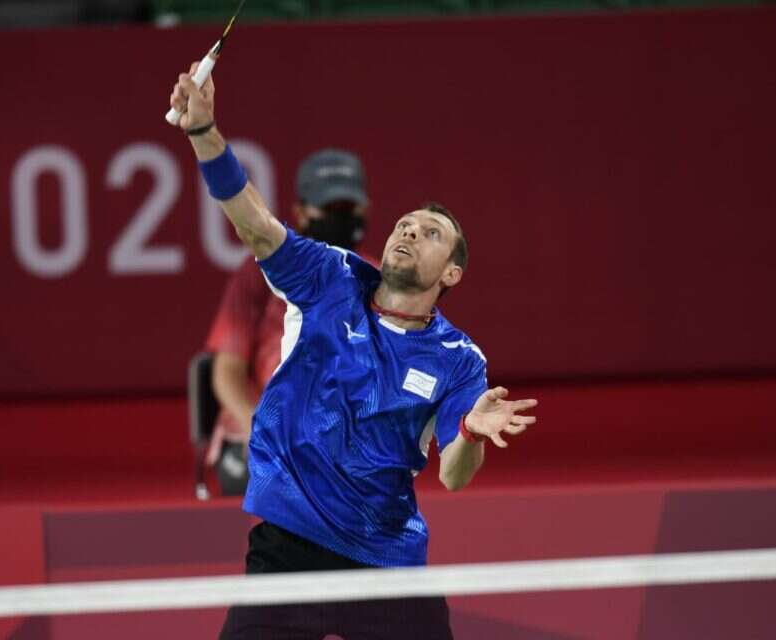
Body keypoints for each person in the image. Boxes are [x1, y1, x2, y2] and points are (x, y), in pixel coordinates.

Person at [170, 63, 538, 639]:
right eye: (405, 225)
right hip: (290, 545)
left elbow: (454, 475)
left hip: (385, 560)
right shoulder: (330, 277)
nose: (410, 232)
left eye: (431, 233)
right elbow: (256, 224)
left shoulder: (459, 359)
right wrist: (203, 132)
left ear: (452, 273)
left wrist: (470, 431)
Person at [204, 148, 374, 496]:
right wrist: (261, 431)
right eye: (329, 209)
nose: (339, 218)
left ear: (364, 210)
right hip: (257, 433)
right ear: (300, 213)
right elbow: (227, 371)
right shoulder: (257, 272)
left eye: (346, 209)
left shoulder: (377, 279)